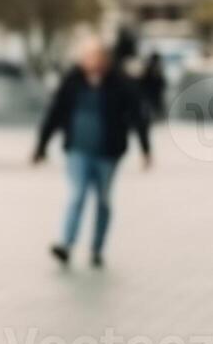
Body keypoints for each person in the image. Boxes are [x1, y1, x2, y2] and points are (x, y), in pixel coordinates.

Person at [33, 36, 151, 269]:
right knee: (77, 195)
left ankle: (97, 248)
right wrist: (41, 146)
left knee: (103, 200)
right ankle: (66, 245)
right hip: (78, 150)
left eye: (96, 56)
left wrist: (146, 149)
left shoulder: (120, 82)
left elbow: (138, 115)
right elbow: (55, 113)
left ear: (105, 58)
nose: (91, 61)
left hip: (109, 152)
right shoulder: (72, 80)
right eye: (87, 56)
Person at [139, 52, 167, 121]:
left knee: (154, 104)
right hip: (151, 91)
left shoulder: (156, 68)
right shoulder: (153, 68)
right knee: (153, 104)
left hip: (153, 91)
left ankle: (156, 116)